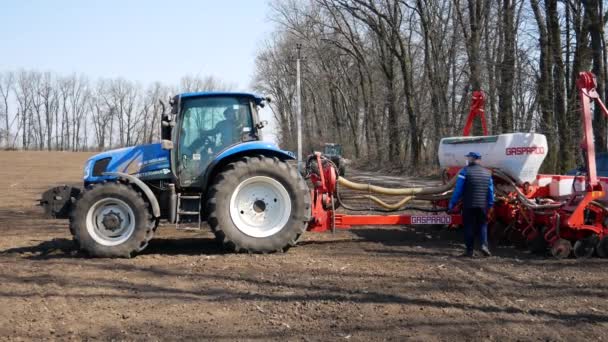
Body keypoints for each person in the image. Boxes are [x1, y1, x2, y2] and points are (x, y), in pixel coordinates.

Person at [448, 152, 494, 257]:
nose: (467, 159)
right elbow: (491, 191)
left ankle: (469, 251)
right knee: (483, 225)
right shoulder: (487, 173)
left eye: (468, 158)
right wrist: (490, 205)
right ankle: (484, 246)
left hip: (469, 204)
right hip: (482, 205)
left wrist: (452, 203)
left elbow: (458, 190)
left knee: (469, 226)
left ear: (472, 159)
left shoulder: (465, 171)